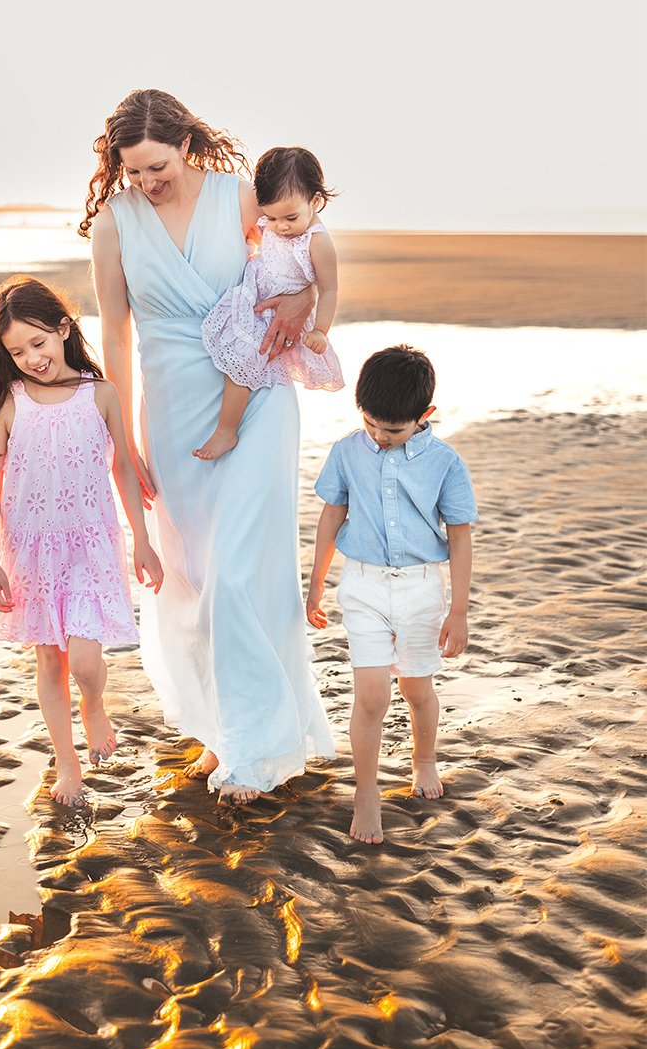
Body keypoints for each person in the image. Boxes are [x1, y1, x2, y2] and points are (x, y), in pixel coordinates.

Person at [84, 87, 334, 801]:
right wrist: (122, 436)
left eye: (157, 166)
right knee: (190, 579)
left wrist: (304, 302)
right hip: (171, 413)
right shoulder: (115, 223)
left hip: (255, 396)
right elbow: (115, 336)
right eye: (134, 171)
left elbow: (303, 255)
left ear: (187, 146)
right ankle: (222, 730)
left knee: (238, 574)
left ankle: (258, 747)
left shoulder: (241, 196)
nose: (147, 182)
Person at [0, 276, 162, 804]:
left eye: (38, 343)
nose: (32, 358)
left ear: (63, 329)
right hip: (32, 552)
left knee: (84, 661)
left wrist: (141, 540)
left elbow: (124, 467)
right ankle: (67, 763)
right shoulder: (7, 405)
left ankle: (95, 705)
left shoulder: (99, 395)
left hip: (90, 547)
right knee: (49, 662)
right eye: (17, 351)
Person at [305, 345, 476, 845]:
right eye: (370, 424)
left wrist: (459, 611)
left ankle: (424, 761)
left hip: (424, 589)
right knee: (372, 695)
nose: (379, 437)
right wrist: (316, 582)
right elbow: (332, 516)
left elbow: (461, 534)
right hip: (362, 587)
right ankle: (366, 793)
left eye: (393, 430)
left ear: (424, 416)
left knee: (417, 690)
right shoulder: (346, 451)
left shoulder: (445, 462)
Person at [193, 146, 345, 459]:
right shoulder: (275, 222)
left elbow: (329, 289)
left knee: (245, 361)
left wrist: (320, 331)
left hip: (273, 315)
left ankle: (226, 431)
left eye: (290, 217)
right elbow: (265, 242)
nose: (280, 226)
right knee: (231, 353)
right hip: (253, 294)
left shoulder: (317, 242)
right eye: (271, 217)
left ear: (316, 201)